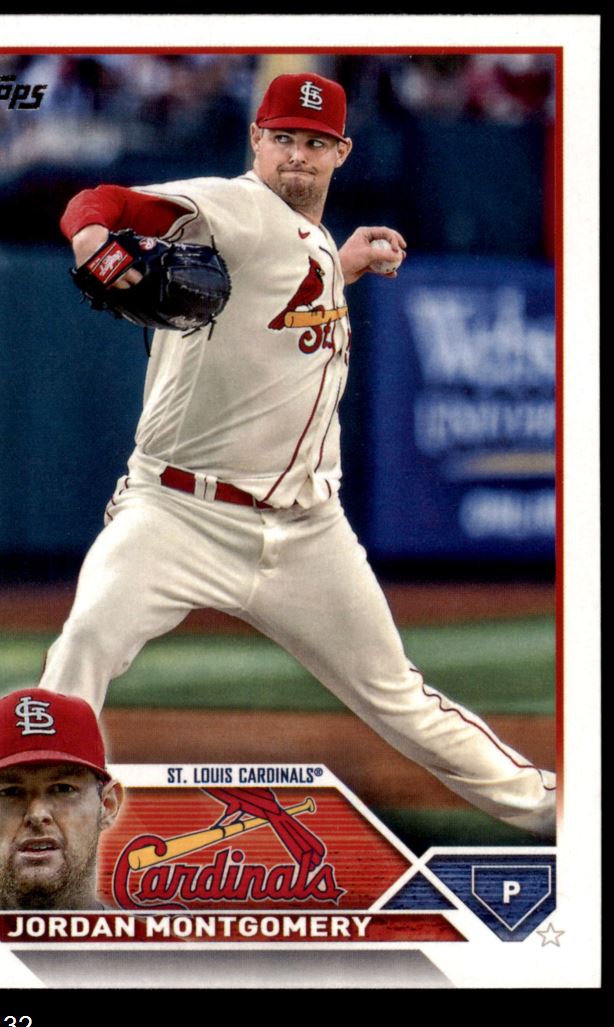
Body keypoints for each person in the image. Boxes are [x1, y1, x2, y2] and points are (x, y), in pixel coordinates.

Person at [39, 71, 556, 837]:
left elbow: (277, 299)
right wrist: (95, 246)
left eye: (314, 143)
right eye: (282, 138)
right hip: (178, 511)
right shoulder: (234, 206)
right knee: (84, 645)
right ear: (256, 139)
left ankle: (557, 813)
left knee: (399, 697)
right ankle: (42, 831)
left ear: (341, 152)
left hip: (308, 528)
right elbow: (98, 203)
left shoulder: (306, 239)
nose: (295, 156)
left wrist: (342, 265)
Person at [0, 688, 124, 910]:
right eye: (10, 792)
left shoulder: (150, 935)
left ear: (107, 805)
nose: (37, 815)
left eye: (63, 789)